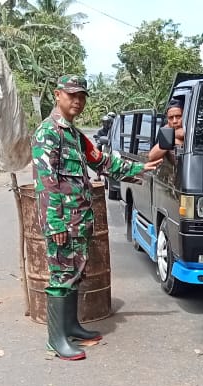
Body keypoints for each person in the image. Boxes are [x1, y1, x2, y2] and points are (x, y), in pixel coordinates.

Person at [33, 75, 161, 361]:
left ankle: (71, 326)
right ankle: (56, 340)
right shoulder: (48, 133)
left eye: (82, 96)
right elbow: (46, 183)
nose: (77, 101)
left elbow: (102, 161)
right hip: (62, 222)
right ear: (58, 95)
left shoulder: (75, 136)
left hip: (79, 219)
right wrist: (54, 224)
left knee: (76, 273)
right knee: (61, 277)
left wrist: (140, 167)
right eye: (72, 95)